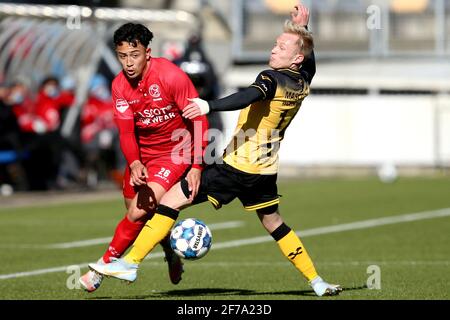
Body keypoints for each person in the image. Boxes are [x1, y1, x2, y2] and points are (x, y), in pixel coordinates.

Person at [89, 3, 342, 297]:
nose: (274, 49)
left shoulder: (270, 78)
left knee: (168, 203)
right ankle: (316, 281)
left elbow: (247, 96)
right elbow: (310, 63)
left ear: (296, 58)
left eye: (281, 47)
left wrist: (211, 104)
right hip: (265, 170)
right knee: (276, 225)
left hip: (235, 168)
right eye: (275, 44)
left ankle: (131, 263)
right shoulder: (302, 80)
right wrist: (304, 30)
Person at [78, 22, 209, 292]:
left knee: (138, 211)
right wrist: (135, 162)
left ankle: (101, 268)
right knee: (139, 214)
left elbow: (200, 120)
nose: (128, 63)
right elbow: (126, 132)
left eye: (134, 55)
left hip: (174, 153)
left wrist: (196, 165)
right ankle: (171, 253)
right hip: (142, 156)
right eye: (122, 56)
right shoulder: (119, 86)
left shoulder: (172, 76)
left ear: (148, 52)